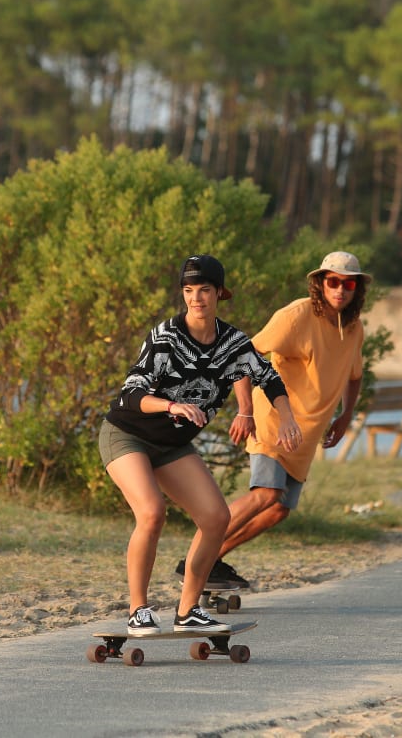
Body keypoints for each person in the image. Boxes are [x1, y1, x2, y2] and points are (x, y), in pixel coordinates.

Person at [99, 254, 301, 636]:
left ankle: (188, 609)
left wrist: (286, 416)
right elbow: (130, 394)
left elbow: (269, 378)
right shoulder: (166, 337)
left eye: (204, 290)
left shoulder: (233, 344)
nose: (196, 299)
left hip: (170, 446)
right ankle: (138, 609)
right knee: (152, 512)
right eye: (189, 291)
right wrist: (172, 404)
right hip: (126, 434)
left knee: (216, 518)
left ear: (219, 293)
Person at [190, 251, 371, 589]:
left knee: (278, 510)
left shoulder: (354, 327)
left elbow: (355, 374)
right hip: (273, 419)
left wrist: (346, 415)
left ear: (357, 289)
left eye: (349, 283)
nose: (341, 289)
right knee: (266, 495)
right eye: (333, 281)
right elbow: (242, 355)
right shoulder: (297, 315)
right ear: (320, 283)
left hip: (305, 436)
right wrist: (246, 410)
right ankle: (194, 558)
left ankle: (211, 560)